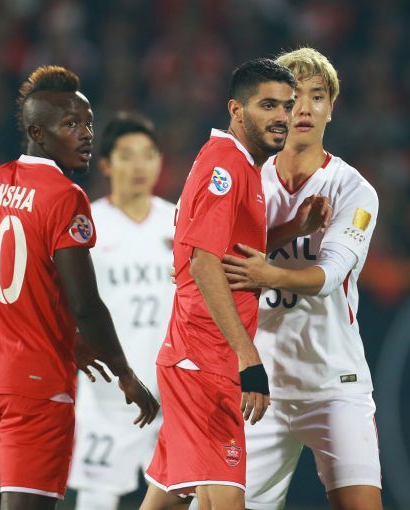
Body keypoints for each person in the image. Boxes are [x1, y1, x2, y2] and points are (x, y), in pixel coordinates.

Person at [0, 65, 159, 510]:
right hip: (34, 385)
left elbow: (7, 287)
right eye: (71, 125)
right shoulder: (65, 195)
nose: (86, 134)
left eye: (88, 123)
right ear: (37, 133)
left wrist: (68, 338)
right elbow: (85, 303)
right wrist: (125, 373)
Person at [222, 48, 383, 510]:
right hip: (260, 386)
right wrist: (289, 232)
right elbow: (207, 260)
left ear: (332, 107)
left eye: (318, 96)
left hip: (334, 384)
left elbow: (329, 275)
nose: (306, 109)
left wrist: (264, 273)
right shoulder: (246, 180)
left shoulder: (354, 190)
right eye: (295, 99)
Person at [138, 58, 297, 510]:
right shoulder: (226, 165)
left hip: (195, 356)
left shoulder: (237, 164)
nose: (282, 117)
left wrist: (294, 229)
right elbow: (204, 263)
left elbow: (226, 249)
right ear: (236, 109)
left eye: (287, 106)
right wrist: (248, 356)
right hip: (204, 360)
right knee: (222, 500)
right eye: (268, 105)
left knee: (168, 498)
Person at [67, 112, 175, 510]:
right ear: (107, 164)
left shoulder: (179, 222)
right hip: (109, 394)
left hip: (173, 393)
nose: (139, 166)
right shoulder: (87, 225)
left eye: (148, 155)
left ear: (160, 161)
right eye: (127, 156)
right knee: (97, 499)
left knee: (183, 496)